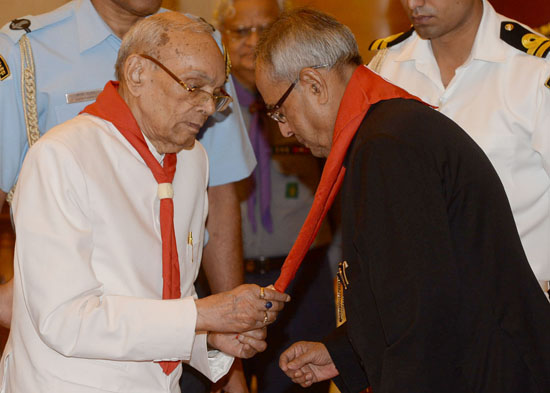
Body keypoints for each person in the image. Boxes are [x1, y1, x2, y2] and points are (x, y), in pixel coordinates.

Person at [253, 8, 550, 393]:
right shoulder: (388, 129)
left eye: (279, 110)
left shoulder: (387, 146)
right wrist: (342, 353)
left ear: (314, 84)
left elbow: (420, 323)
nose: (286, 129)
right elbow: (417, 286)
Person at [0, 13, 290, 393]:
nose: (206, 107)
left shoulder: (193, 159)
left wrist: (207, 339)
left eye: (216, 93)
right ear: (136, 74)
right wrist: (201, 316)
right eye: (193, 87)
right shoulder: (61, 156)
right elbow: (64, 320)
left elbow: (166, 300)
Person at [368, 0, 550, 297]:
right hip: (423, 313)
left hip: (519, 308)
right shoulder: (385, 68)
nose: (415, 3)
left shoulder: (535, 69)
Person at [215, 1, 335, 392]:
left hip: (302, 281)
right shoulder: (205, 103)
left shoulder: (315, 97)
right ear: (222, 36)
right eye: (240, 32)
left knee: (299, 380)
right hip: (223, 282)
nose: (253, 43)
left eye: (264, 30)